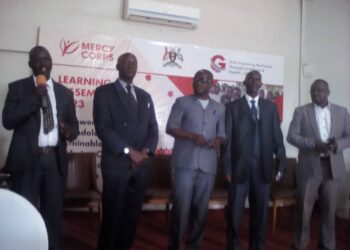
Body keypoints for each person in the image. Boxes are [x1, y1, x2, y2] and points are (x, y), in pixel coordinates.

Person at [2, 45, 79, 250]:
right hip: (27, 160)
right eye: (38, 60)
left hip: (54, 160)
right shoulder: (17, 88)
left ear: (52, 61)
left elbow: (75, 128)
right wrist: (35, 97)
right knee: (24, 212)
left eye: (47, 59)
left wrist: (67, 131)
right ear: (30, 65)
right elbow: (8, 121)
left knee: (53, 213)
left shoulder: (65, 93)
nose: (43, 63)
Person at [93, 52, 158, 250]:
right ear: (117, 66)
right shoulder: (104, 92)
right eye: (127, 61)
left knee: (132, 215)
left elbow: (153, 129)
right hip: (116, 164)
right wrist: (130, 152)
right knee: (112, 216)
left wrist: (145, 151)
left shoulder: (145, 96)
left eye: (134, 62)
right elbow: (103, 129)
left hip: (141, 166)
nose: (131, 64)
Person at [222, 70, 286, 250]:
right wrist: (226, 167)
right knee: (234, 215)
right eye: (251, 79)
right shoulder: (232, 107)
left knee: (260, 215)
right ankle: (234, 246)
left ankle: (257, 246)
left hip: (263, 170)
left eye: (258, 79)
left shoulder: (270, 108)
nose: (255, 82)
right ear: (245, 83)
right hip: (238, 169)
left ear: (261, 84)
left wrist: (281, 161)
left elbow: (277, 138)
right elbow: (227, 141)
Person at [287, 79, 350, 250]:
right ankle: (300, 244)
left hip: (333, 167)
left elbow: (348, 136)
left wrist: (337, 145)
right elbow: (292, 136)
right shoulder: (301, 111)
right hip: (309, 167)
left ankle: (327, 245)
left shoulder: (342, 112)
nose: (317, 93)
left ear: (328, 92)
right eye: (313, 91)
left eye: (321, 90)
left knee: (329, 211)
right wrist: (314, 144)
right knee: (304, 211)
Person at [167, 69, 225, 250]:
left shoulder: (220, 108)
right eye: (197, 79)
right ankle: (175, 245)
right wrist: (191, 136)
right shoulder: (182, 102)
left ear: (211, 84)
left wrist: (219, 141)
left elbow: (223, 134)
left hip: (208, 165)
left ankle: (194, 245)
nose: (199, 82)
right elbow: (171, 128)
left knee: (201, 210)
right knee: (181, 209)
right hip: (185, 163)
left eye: (204, 80)